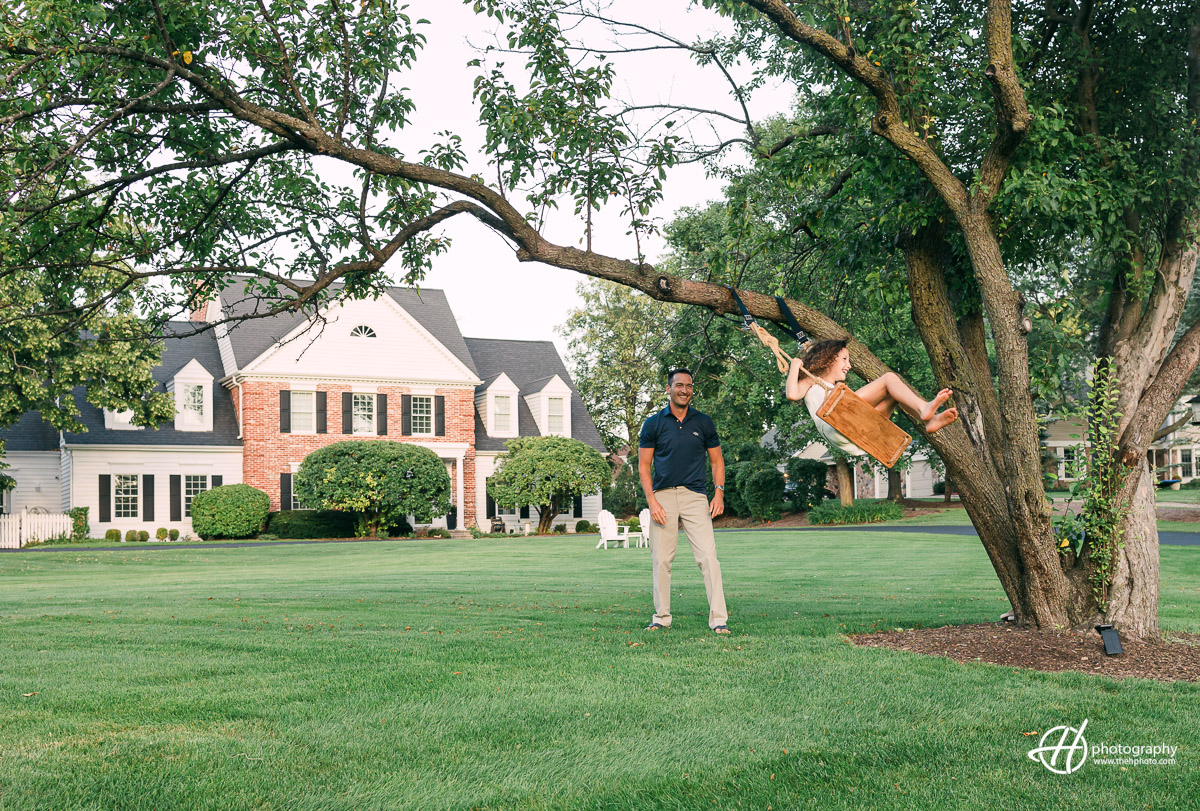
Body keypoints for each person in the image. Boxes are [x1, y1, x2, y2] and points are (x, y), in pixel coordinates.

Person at [638, 368, 731, 634]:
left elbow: (717, 461)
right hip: (663, 497)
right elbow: (644, 467)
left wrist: (719, 492)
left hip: (695, 497)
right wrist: (652, 502)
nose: (684, 390)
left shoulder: (704, 423)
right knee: (662, 560)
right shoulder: (653, 424)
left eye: (689, 386)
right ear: (668, 389)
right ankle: (661, 617)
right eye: (679, 385)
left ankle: (719, 620)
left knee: (708, 558)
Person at [785, 339, 959, 455]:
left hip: (856, 437)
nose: (849, 365)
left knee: (894, 394)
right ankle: (924, 409)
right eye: (845, 359)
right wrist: (795, 365)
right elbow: (792, 394)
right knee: (889, 379)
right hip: (835, 426)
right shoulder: (810, 380)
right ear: (829, 359)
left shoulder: (834, 389)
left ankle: (929, 422)